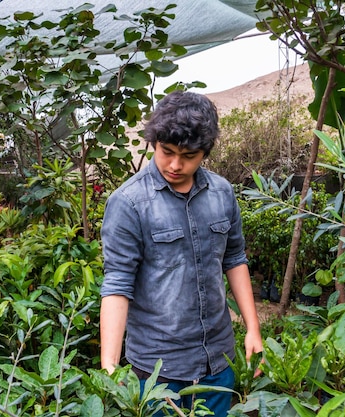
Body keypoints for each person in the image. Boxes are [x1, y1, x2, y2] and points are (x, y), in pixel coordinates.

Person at [99, 90, 263, 416]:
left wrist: (253, 330)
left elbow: (234, 259)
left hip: (218, 361)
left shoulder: (221, 193)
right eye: (167, 152)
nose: (175, 164)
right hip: (157, 372)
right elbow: (117, 283)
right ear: (154, 143)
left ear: (205, 152)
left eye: (188, 155)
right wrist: (110, 366)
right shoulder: (128, 203)